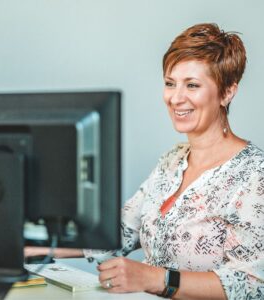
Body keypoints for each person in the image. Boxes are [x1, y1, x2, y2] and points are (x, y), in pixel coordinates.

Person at [25, 23, 264, 299]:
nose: (176, 98)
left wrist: (156, 279)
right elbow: (120, 231)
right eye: (170, 83)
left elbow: (252, 284)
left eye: (193, 85)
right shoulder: (172, 161)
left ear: (227, 93)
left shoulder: (254, 175)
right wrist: (37, 244)